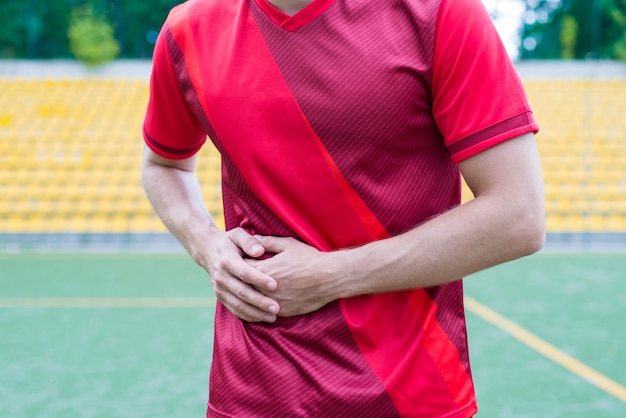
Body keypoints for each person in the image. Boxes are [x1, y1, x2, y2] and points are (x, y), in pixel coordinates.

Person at [141, 0, 545, 415]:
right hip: (252, 392)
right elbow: (163, 164)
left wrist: (331, 276)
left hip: (408, 394)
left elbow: (518, 216)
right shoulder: (189, 28)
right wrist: (208, 247)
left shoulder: (440, 12)